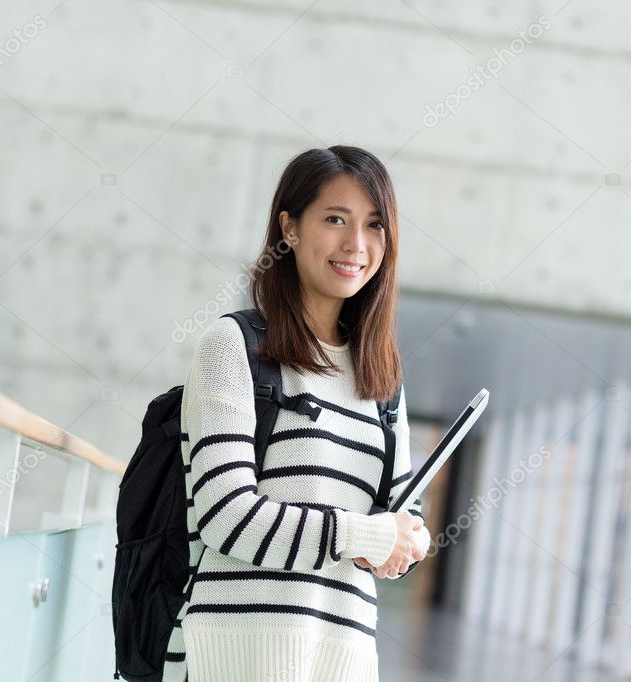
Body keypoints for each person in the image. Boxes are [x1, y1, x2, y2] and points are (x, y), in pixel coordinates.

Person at [161, 146, 430, 682]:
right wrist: (369, 536)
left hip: (339, 662)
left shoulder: (382, 379)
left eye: (374, 225)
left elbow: (405, 521)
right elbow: (225, 516)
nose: (356, 245)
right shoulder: (234, 348)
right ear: (290, 228)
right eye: (335, 219)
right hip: (232, 660)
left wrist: (410, 539)